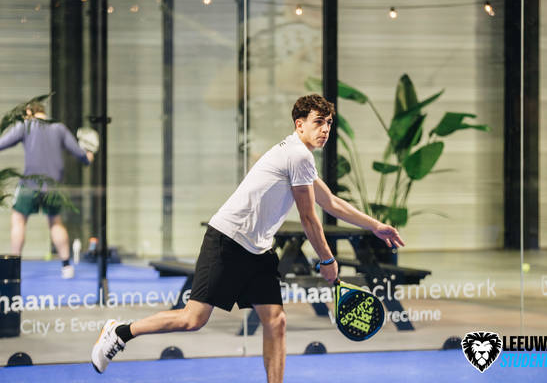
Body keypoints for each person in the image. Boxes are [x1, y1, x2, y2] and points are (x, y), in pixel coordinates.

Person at [91, 94, 404, 382]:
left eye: (329, 123)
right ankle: (121, 332)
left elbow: (330, 202)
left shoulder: (299, 156)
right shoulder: (298, 155)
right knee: (192, 319)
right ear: (300, 125)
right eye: (318, 122)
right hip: (227, 241)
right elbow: (309, 218)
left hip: (259, 250)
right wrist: (327, 259)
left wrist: (375, 226)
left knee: (276, 321)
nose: (325, 129)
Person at [0, 101, 94, 279]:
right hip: (53, 187)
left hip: (30, 185)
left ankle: (13, 269)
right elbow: (79, 152)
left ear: (29, 112)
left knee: (18, 220)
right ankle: (67, 267)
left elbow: (2, 143)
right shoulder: (59, 128)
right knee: (56, 223)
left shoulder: (25, 125)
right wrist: (87, 158)